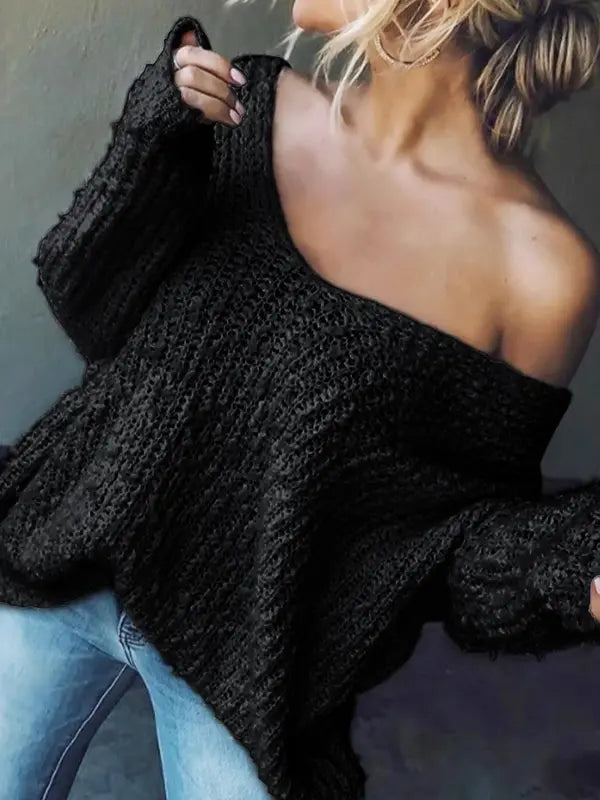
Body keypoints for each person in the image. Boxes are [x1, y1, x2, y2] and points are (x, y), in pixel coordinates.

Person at [1, 1, 600, 798]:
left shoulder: (544, 274)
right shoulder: (242, 102)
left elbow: (450, 546)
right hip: (64, 555)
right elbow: (93, 314)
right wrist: (151, 147)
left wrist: (573, 564)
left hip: (253, 666)